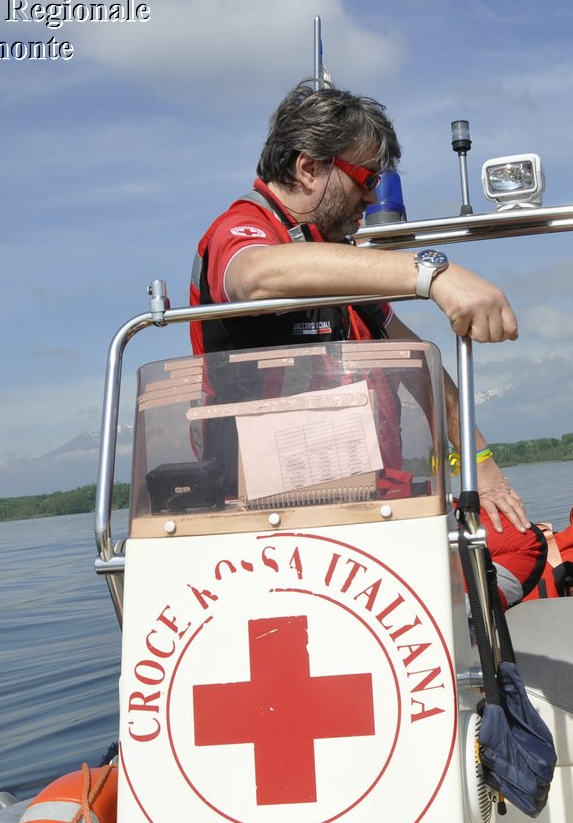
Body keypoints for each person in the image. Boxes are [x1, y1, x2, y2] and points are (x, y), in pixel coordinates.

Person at [189, 81, 530, 537]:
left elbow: (421, 363)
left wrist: (479, 461)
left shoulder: (333, 259)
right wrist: (434, 273)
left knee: (521, 543)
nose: (371, 199)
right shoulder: (244, 226)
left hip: (363, 503)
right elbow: (252, 276)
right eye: (367, 180)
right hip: (268, 519)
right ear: (309, 168)